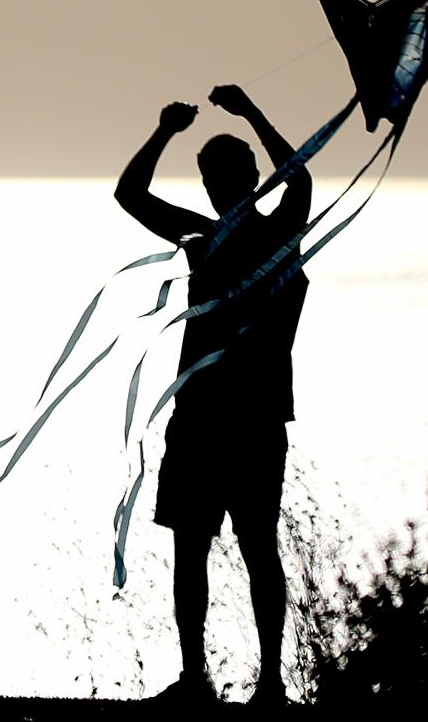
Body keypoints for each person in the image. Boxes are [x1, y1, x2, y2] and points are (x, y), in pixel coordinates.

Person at [115, 85, 312, 709]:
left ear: (253, 177)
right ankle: (205, 679)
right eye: (214, 174)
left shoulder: (277, 233)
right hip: (204, 415)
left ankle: (267, 683)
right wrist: (170, 131)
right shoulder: (203, 237)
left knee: (251, 547)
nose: (220, 183)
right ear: (208, 184)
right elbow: (129, 196)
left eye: (229, 172)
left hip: (245, 418)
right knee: (200, 545)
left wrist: (235, 116)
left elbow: (299, 177)